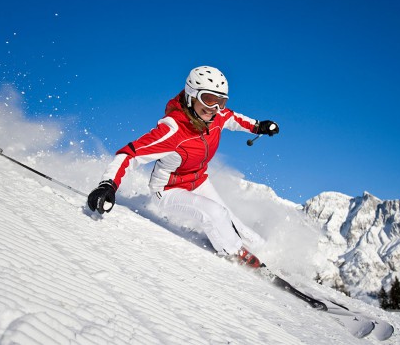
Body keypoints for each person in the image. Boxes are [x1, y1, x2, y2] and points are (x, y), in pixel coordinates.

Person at [87, 66, 279, 268]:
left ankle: (266, 254)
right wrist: (108, 185)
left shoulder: (217, 116)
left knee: (239, 226)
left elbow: (233, 119)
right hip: (168, 190)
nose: (214, 108)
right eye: (208, 99)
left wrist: (258, 126)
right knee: (215, 215)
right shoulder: (173, 129)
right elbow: (130, 154)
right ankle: (234, 254)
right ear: (191, 95)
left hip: (198, 180)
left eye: (221, 101)